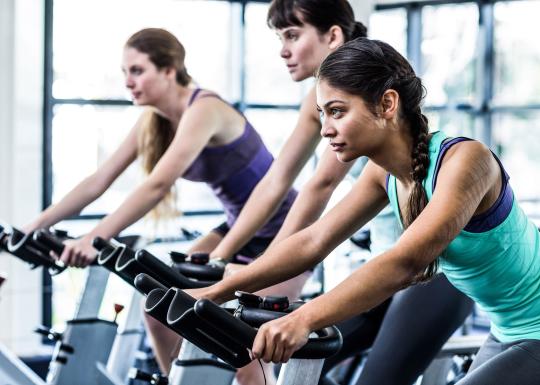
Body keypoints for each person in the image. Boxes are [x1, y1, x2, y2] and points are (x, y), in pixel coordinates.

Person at [193, 37, 540, 385]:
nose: (327, 129)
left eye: (338, 111)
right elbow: (314, 241)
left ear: (387, 104)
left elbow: (405, 263)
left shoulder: (466, 161)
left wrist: (304, 320)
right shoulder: (384, 174)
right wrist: (214, 292)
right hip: (507, 329)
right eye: (323, 114)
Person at [22, 28, 297, 382]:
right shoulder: (154, 121)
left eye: (137, 71)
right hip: (236, 226)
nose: (127, 82)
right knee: (160, 308)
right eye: (124, 72)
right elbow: (98, 180)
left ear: (169, 70)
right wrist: (35, 227)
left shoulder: (205, 109)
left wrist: (95, 236)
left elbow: (156, 185)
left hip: (282, 230)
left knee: (244, 349)